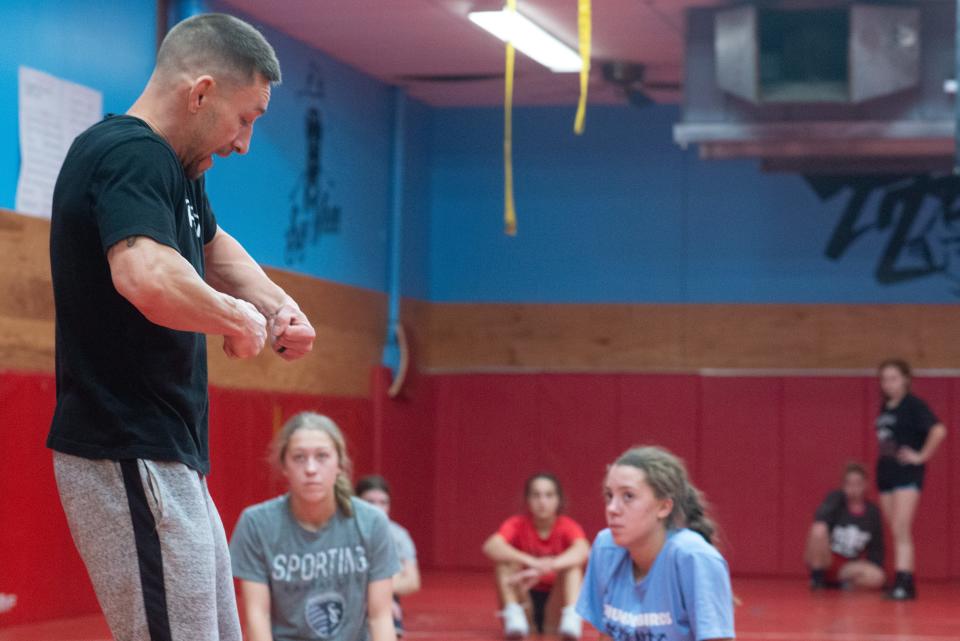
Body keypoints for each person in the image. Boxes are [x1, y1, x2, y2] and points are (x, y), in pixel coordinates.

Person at [46, 13, 316, 641]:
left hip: (164, 452)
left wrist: (276, 307)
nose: (243, 142)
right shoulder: (129, 154)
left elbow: (212, 247)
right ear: (200, 93)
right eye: (244, 118)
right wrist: (236, 317)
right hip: (125, 445)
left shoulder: (175, 169)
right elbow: (144, 273)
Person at [230, 413, 399, 641]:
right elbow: (257, 617)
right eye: (299, 457)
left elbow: (380, 618)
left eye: (322, 456)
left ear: (339, 464)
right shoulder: (256, 524)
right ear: (284, 466)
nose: (311, 469)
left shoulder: (372, 523)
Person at [577, 446, 734, 641]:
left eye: (628, 496)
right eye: (609, 495)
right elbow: (606, 634)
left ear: (664, 507)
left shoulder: (694, 557)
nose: (612, 508)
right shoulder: (605, 548)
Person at [482, 473, 589, 640]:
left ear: (558, 500)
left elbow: (583, 550)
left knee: (573, 567)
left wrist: (547, 567)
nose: (542, 501)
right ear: (527, 500)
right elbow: (491, 546)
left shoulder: (567, 526)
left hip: (555, 600)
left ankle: (571, 616)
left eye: (548, 495)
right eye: (536, 495)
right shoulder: (516, 524)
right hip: (524, 596)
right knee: (505, 562)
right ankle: (513, 614)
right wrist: (532, 562)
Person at [874, 359, 947, 600]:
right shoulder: (886, 407)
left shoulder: (913, 405)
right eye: (884, 379)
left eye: (893, 378)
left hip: (906, 473)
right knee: (894, 529)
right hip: (886, 472)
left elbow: (938, 430)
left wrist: (921, 456)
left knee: (901, 527)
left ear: (906, 379)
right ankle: (901, 579)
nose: (888, 384)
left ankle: (905, 580)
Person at [355, 475, 421, 637]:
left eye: (383, 502)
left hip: (384, 600)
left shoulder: (399, 535)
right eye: (370, 502)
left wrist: (379, 596)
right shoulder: (344, 531)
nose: (377, 508)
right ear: (356, 503)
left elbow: (412, 581)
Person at [805, 462, 884, 591]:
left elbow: (877, 547)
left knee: (878, 577)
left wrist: (872, 568)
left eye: (858, 484)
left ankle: (842, 585)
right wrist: (837, 497)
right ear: (843, 485)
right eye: (849, 484)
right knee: (818, 529)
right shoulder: (835, 501)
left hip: (848, 567)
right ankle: (817, 578)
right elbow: (820, 517)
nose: (854, 488)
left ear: (865, 485)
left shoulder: (872, 513)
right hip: (827, 558)